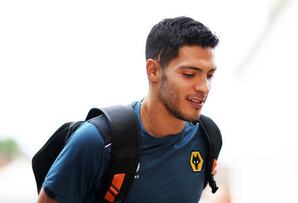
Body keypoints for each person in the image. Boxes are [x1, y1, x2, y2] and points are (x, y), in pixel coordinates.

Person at [36, 16, 220, 203]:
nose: (204, 87)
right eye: (189, 74)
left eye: (210, 75)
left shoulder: (207, 137)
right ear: (154, 71)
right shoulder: (96, 141)